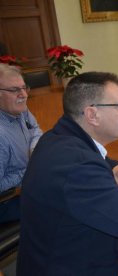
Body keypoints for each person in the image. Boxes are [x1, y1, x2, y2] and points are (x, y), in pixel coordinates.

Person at [17, 72, 118, 275]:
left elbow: (90, 157)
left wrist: (112, 166)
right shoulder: (80, 171)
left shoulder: (54, 138)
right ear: (92, 115)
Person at [0, 63, 42, 223]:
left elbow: (36, 129)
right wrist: (31, 169)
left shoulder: (20, 109)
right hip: (8, 202)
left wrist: (34, 148)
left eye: (24, 88)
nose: (24, 95)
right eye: (14, 90)